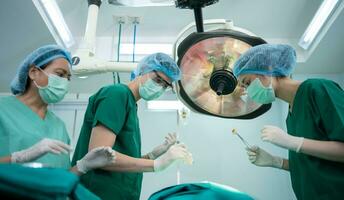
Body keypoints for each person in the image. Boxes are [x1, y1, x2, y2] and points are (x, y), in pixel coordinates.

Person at [72, 52, 193, 200]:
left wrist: (153, 155)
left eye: (165, 86)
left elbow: (118, 158)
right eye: (158, 79)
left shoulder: (131, 106)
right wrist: (156, 164)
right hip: (95, 194)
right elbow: (99, 155)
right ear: (142, 71)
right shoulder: (117, 94)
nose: (160, 87)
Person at [232, 44, 344, 200]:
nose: (249, 92)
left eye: (248, 82)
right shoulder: (290, 114)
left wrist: (295, 142)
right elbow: (312, 164)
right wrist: (276, 162)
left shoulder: (317, 89)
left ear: (268, 68)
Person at [0, 45, 116, 175]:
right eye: (60, 74)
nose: (64, 81)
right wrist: (19, 157)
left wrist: (83, 166)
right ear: (33, 72)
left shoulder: (59, 126)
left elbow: (60, 177)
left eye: (68, 78)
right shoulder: (3, 109)